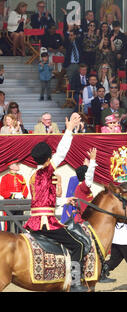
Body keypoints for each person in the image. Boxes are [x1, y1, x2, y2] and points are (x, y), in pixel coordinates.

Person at [25, 113, 89, 292]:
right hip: (46, 223)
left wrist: (63, 200)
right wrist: (69, 131)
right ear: (47, 158)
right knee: (79, 245)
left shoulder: (32, 175)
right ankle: (76, 283)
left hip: (34, 221)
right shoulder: (46, 172)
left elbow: (43, 199)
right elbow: (61, 153)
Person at [0, 160, 29, 233]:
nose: (18, 165)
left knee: (19, 225)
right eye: (16, 164)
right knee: (8, 226)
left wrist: (22, 195)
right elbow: (2, 191)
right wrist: (13, 195)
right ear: (11, 166)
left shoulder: (20, 177)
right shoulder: (5, 178)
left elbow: (25, 189)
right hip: (8, 204)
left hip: (19, 204)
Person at [72, 148, 97, 224]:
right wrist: (92, 160)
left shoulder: (80, 187)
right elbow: (89, 177)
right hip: (84, 223)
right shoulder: (83, 187)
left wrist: (88, 165)